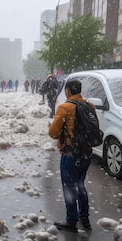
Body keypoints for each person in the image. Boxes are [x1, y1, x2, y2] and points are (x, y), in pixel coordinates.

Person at [48, 79, 93, 232]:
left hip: (70, 154)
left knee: (69, 187)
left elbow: (53, 133)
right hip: (86, 153)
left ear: (67, 91)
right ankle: (84, 218)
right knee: (80, 185)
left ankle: (71, 221)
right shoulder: (89, 105)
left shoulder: (65, 108)